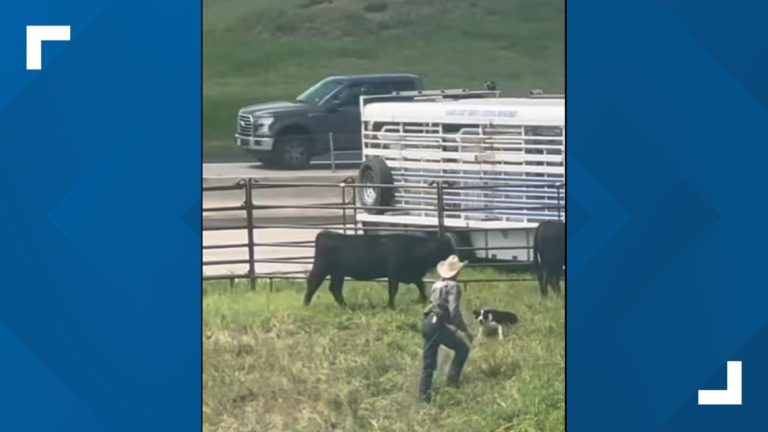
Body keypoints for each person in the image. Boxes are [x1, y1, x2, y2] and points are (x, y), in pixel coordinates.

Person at [419, 254, 473, 403]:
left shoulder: (437, 285)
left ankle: (423, 396)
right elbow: (453, 311)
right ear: (456, 272)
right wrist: (465, 330)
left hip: (428, 322)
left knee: (428, 362)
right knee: (463, 348)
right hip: (438, 325)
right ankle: (452, 381)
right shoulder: (453, 286)